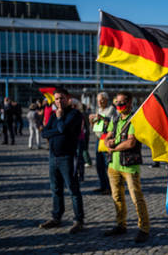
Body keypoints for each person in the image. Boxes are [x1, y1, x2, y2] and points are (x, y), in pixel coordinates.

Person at [103, 91, 150, 243]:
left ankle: (144, 228)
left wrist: (114, 148)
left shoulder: (135, 120)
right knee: (117, 197)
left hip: (130, 166)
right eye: (116, 103)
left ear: (130, 103)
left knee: (137, 198)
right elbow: (108, 136)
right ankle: (120, 224)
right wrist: (107, 142)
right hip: (113, 165)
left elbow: (131, 142)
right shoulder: (115, 119)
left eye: (122, 103)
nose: (119, 106)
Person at [40, 88, 84, 234]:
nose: (59, 101)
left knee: (73, 190)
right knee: (56, 189)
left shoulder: (75, 114)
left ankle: (79, 220)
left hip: (68, 157)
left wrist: (59, 120)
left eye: (62, 98)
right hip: (53, 157)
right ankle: (56, 217)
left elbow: (64, 128)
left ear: (68, 98)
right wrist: (58, 129)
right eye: (57, 99)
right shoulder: (53, 115)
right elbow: (44, 133)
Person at [89, 92, 117, 195]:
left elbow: (114, 123)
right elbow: (95, 126)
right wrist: (91, 121)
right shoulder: (98, 110)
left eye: (102, 99)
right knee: (99, 165)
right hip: (98, 139)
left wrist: (103, 118)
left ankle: (110, 188)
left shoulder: (111, 109)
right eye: (98, 100)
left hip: (107, 138)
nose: (99, 102)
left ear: (106, 99)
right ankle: (102, 185)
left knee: (107, 164)